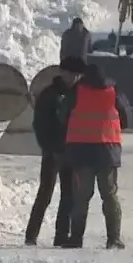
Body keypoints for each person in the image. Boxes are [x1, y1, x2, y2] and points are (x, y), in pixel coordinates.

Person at [59, 62, 131, 249]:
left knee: (81, 197)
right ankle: (113, 238)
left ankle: (76, 238)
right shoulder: (113, 91)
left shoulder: (76, 92)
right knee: (109, 195)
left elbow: (63, 115)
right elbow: (126, 118)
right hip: (107, 151)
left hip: (81, 152)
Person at [25, 56, 85, 246]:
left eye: (77, 75)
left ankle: (61, 235)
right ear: (62, 73)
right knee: (45, 193)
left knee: (69, 195)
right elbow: (39, 124)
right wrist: (48, 146)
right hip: (52, 151)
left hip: (71, 151)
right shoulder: (49, 94)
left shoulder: (79, 94)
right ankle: (31, 235)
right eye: (70, 74)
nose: (74, 78)